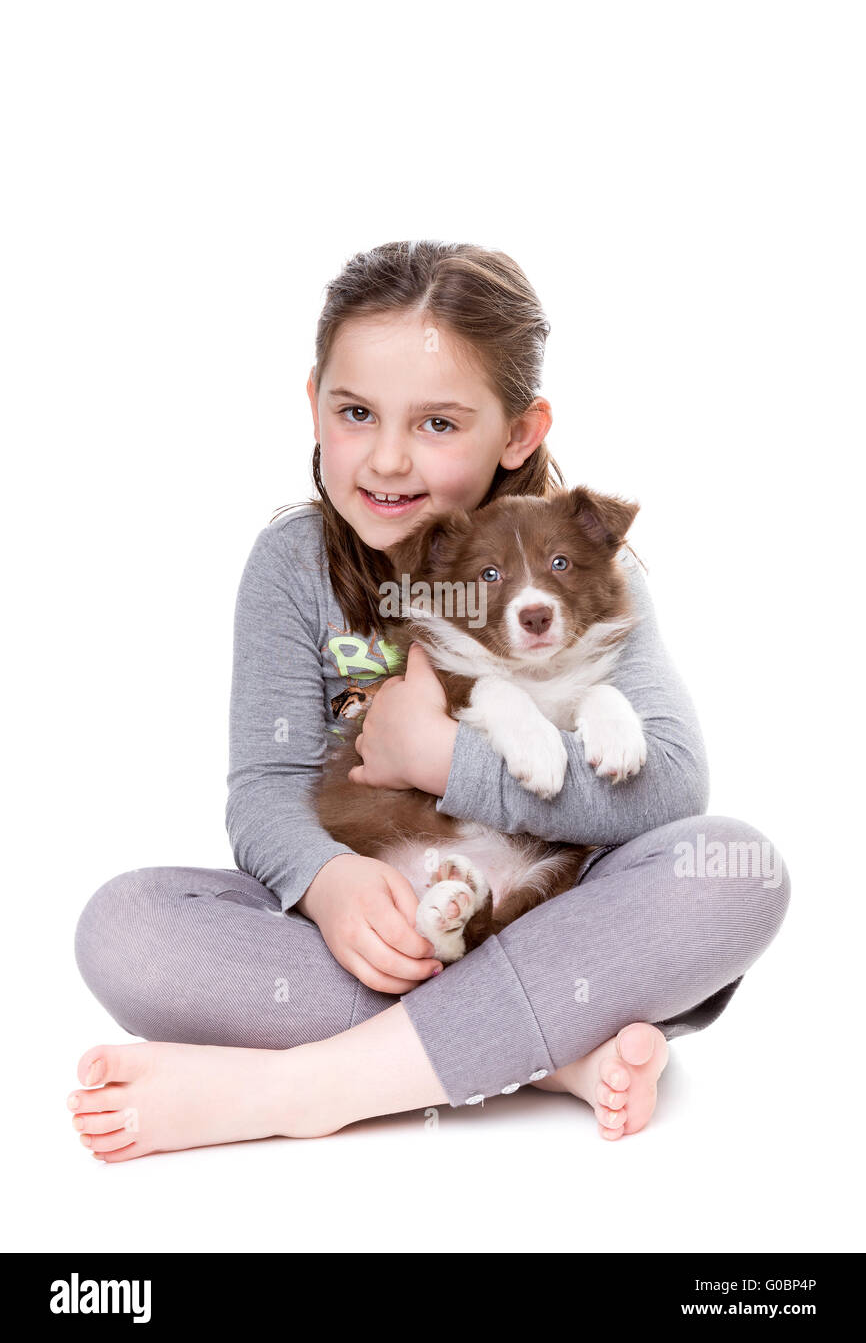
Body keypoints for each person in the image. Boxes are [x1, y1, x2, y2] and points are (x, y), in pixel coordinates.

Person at [69, 240, 791, 1162]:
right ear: (314, 403)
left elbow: (669, 793)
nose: (390, 458)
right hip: (389, 915)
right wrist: (327, 886)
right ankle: (541, 1052)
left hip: (546, 902)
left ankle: (302, 1090)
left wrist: (445, 762)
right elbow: (265, 792)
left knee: (732, 870)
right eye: (358, 412)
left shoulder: (580, 568)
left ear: (521, 433)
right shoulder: (290, 570)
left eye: (440, 424)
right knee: (127, 930)